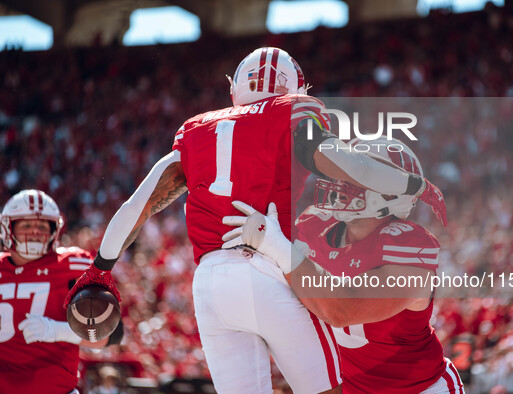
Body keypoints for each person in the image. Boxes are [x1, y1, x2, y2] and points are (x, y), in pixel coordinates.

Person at [64, 47, 446, 393]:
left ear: (236, 88)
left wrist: (101, 268)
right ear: (295, 87)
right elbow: (347, 164)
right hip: (267, 259)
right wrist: (411, 183)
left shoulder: (198, 128)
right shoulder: (293, 112)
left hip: (211, 284)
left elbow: (139, 204)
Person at [222, 138, 464, 393]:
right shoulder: (314, 224)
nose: (339, 181)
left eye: (354, 174)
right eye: (339, 172)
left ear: (392, 193)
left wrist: (279, 248)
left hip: (418, 389)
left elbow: (343, 310)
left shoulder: (408, 244)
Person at [0, 189, 124, 394]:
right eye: (27, 224)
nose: (35, 231)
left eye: (42, 225)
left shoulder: (74, 265)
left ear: (54, 230)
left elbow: (114, 333)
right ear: (8, 227)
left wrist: (58, 331)